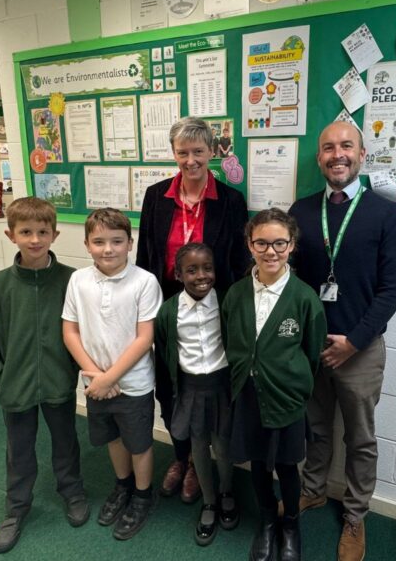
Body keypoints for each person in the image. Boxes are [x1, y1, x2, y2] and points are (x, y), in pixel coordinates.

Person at [288, 121, 396, 561]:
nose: (336, 155)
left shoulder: (386, 214)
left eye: (345, 146)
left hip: (360, 349)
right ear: (318, 157)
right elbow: (291, 279)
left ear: (362, 154)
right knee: (316, 429)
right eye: (327, 148)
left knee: (359, 439)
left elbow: (392, 290)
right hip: (312, 347)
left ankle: (356, 515)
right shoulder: (300, 212)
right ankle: (314, 490)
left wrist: (354, 342)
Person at [137, 116, 249, 504]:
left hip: (214, 312)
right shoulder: (155, 197)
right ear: (174, 154)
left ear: (211, 153)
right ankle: (183, 458)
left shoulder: (231, 201)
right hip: (169, 311)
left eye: (198, 152)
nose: (190, 160)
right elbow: (145, 257)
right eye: (182, 152)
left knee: (209, 388)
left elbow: (237, 264)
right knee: (171, 387)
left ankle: (207, 463)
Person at [0, 197, 89, 554]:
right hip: (15, 388)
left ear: (54, 233)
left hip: (59, 384)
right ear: (11, 235)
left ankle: (73, 492)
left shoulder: (72, 280)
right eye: (25, 232)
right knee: (19, 451)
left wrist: (76, 370)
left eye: (42, 232)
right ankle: (17, 509)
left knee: (66, 443)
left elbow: (86, 330)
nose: (34, 240)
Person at [222, 208, 327, 561]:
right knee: (257, 463)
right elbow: (231, 341)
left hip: (286, 399)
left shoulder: (304, 298)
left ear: (292, 245)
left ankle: (291, 524)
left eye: (279, 243)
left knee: (285, 465)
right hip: (248, 396)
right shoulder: (236, 294)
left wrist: (293, 386)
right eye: (262, 243)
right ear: (250, 245)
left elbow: (311, 354)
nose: (271, 252)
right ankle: (267, 521)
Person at [62, 208, 163, 541]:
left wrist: (110, 377)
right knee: (113, 437)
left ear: (130, 243)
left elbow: (144, 337)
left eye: (117, 241)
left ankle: (143, 495)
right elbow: (71, 332)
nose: (109, 249)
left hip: (133, 384)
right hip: (95, 382)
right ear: (87, 244)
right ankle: (123, 487)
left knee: (139, 443)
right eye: (99, 241)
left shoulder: (145, 282)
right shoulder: (78, 280)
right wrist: (94, 375)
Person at [154, 243, 239, 546]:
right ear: (178, 274)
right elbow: (165, 353)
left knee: (224, 444)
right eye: (191, 270)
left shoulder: (228, 303)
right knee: (199, 446)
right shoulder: (168, 312)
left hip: (222, 385)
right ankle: (210, 500)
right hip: (191, 387)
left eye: (207, 268)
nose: (201, 275)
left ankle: (228, 491)